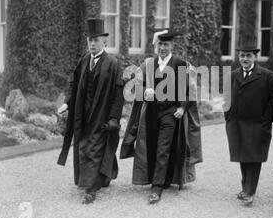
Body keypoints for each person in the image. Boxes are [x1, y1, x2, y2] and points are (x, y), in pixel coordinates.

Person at [120, 29, 202, 204]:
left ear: (172, 45)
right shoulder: (148, 65)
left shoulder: (180, 64)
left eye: (166, 44)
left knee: (163, 148)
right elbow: (138, 88)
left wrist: (182, 107)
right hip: (150, 112)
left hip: (170, 113)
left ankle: (156, 188)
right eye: (160, 44)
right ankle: (159, 178)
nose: (162, 48)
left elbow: (190, 92)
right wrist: (144, 92)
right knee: (150, 146)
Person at [57, 18, 124, 204]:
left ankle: (90, 189)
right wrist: (67, 104)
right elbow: (74, 85)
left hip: (101, 114)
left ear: (105, 42)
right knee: (82, 145)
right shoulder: (84, 61)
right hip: (82, 113)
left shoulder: (112, 63)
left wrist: (114, 118)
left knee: (93, 148)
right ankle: (102, 176)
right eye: (90, 40)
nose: (92, 44)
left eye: (96, 40)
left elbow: (118, 93)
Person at [223, 35, 273, 206]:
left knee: (254, 158)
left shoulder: (268, 76)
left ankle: (249, 191)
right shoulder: (232, 76)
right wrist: (229, 118)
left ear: (255, 57)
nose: (245, 59)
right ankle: (245, 187)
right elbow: (227, 98)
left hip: (257, 125)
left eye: (248, 56)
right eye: (242, 55)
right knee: (242, 155)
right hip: (237, 124)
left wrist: (266, 119)